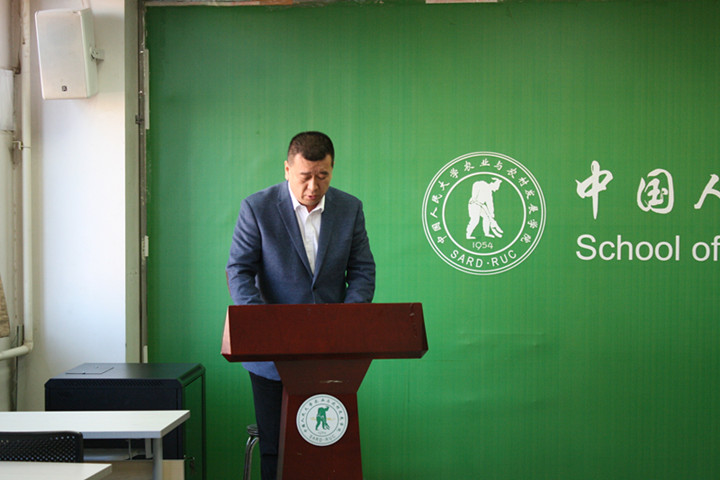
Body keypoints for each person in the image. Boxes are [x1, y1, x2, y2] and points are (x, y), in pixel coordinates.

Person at [226, 131, 376, 480]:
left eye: (322, 175)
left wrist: (347, 320)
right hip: (271, 355)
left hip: (330, 353)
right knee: (275, 448)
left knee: (328, 444)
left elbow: (362, 270)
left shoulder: (350, 208)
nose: (313, 186)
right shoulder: (257, 207)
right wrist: (263, 326)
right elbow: (239, 270)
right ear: (287, 169)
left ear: (332, 170)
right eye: (305, 176)